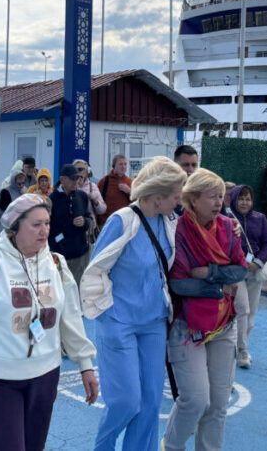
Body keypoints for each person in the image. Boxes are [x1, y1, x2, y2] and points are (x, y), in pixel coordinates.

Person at [0, 194, 99, 451]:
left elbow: (71, 320)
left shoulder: (56, 265)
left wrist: (85, 365)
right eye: (36, 225)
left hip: (45, 377)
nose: (44, 231)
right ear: (15, 227)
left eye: (47, 223)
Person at [81, 156, 187, 451]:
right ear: (158, 194)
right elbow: (95, 271)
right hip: (119, 322)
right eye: (176, 194)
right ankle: (103, 445)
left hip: (153, 322)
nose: (180, 200)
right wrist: (107, 314)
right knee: (126, 400)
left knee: (151, 401)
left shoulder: (169, 220)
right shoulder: (122, 221)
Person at [162, 169, 248, 451]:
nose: (219, 202)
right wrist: (218, 287)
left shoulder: (227, 226)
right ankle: (172, 446)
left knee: (219, 404)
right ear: (193, 198)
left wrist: (209, 273)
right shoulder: (178, 230)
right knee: (196, 400)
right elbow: (180, 283)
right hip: (187, 325)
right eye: (212, 196)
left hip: (224, 322)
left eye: (221, 196)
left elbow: (240, 270)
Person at [226, 184, 267, 370]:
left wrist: (258, 262)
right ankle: (242, 350)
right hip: (237, 271)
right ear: (234, 199)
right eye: (241, 198)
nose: (244, 202)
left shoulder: (260, 218)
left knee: (251, 313)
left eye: (248, 198)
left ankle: (241, 345)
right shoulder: (227, 218)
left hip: (255, 271)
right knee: (242, 309)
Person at [49, 164, 95, 285]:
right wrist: (57, 245)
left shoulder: (82, 196)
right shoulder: (51, 199)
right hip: (59, 256)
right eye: (72, 178)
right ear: (62, 180)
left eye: (77, 178)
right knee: (61, 291)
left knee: (79, 291)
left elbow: (90, 219)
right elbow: (47, 228)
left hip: (81, 255)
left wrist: (85, 222)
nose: (76, 181)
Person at [97, 154, 133, 226]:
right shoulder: (104, 181)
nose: (123, 167)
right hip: (106, 223)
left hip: (124, 223)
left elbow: (138, 203)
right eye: (120, 164)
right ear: (114, 165)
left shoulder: (130, 182)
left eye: (125, 164)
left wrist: (129, 191)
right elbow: (97, 202)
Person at [74, 159, 107, 235]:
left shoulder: (92, 186)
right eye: (75, 170)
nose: (78, 172)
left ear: (87, 171)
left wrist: (95, 201)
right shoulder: (69, 186)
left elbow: (102, 210)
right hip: (72, 228)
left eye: (81, 169)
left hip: (89, 230)